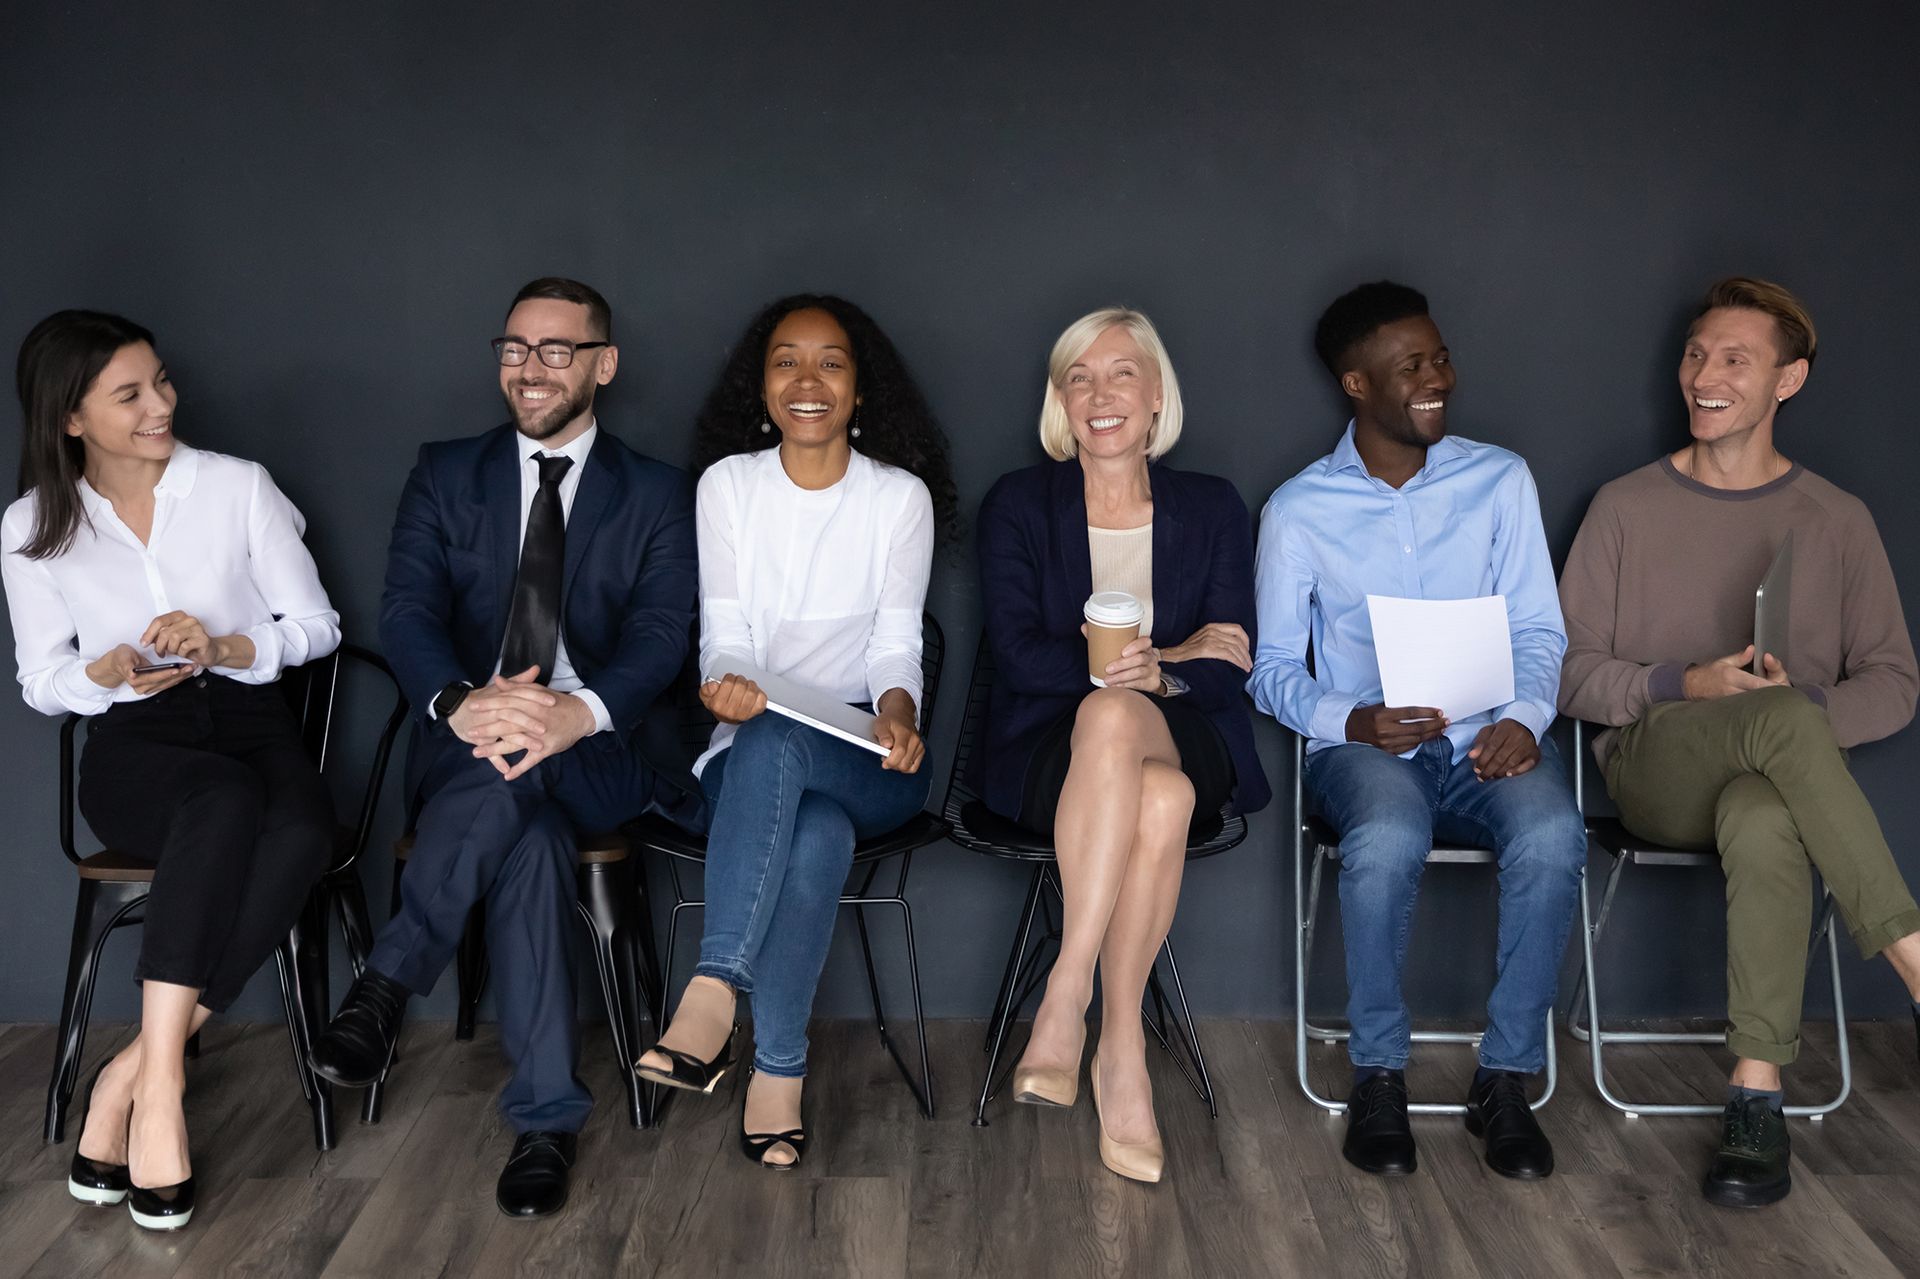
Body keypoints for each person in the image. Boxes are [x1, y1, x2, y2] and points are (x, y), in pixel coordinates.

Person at [304, 278, 698, 1218]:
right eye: (515, 347)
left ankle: (387, 984)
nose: (530, 367)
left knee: (521, 778)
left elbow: (661, 632)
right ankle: (546, 1121)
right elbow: (406, 614)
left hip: (599, 750)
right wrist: (462, 702)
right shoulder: (445, 472)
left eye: (558, 349)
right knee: (526, 837)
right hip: (469, 737)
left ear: (604, 364)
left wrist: (579, 711)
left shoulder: (657, 492)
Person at [1559, 276, 1920, 1209]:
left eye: (1733, 359)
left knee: (1768, 813)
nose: (1703, 376)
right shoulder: (1625, 506)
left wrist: (1787, 715)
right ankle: (1916, 954)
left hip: (1769, 783)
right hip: (1655, 765)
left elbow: (1893, 681)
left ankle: (1755, 1098)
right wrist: (1688, 683)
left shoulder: (1838, 520)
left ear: (1787, 382)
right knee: (1778, 727)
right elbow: (1563, 672)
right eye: (1695, 353)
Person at [1, 311, 340, 1231]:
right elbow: (42, 683)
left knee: (304, 829)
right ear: (70, 418)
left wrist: (226, 641)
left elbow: (317, 627)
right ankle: (158, 1103)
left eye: (161, 382)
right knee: (220, 800)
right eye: (130, 394)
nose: (161, 405)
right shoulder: (34, 524)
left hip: (246, 716)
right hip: (134, 742)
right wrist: (103, 671)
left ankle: (138, 1075)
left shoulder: (236, 487)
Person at [1248, 281, 1587, 1181]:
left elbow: (1540, 630)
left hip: (1489, 736)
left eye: (1439, 358)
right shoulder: (1298, 511)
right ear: (1356, 384)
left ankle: (1506, 1079)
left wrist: (1525, 717)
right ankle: (1379, 1077)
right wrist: (1350, 717)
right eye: (1412, 366)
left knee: (1555, 834)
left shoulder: (1500, 479)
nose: (1437, 377)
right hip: (1367, 751)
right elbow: (1273, 666)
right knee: (1389, 835)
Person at [635, 294, 955, 1171]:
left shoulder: (898, 499)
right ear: (762, 382)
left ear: (860, 390)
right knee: (807, 815)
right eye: (786, 361)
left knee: (791, 753)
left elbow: (897, 638)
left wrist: (898, 711)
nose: (807, 380)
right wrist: (726, 690)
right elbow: (726, 632)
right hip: (743, 761)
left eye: (831, 363)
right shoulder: (729, 487)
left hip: (871, 761)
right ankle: (779, 1071)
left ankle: (712, 990)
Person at [975, 306, 1270, 1185]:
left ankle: (1065, 995)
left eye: (1121, 374)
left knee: (1125, 724)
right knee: (1158, 794)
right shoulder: (1020, 504)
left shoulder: (1211, 506)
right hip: (1045, 754)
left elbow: (1231, 663)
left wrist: (1164, 671)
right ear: (1061, 404)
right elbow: (1020, 655)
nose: (1101, 395)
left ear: (1155, 398)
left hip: (1190, 731)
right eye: (1080, 377)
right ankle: (1123, 1050)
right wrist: (1169, 649)